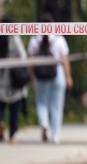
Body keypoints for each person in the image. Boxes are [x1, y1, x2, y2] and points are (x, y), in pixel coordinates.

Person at [27, 12, 73, 144]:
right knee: (57, 105)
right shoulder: (59, 39)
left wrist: (32, 77)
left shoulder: (35, 39)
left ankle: (44, 123)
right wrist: (68, 76)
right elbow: (65, 60)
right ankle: (56, 135)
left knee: (41, 102)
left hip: (40, 73)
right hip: (57, 72)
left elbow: (30, 60)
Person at [0, 16, 28, 144]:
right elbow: (23, 57)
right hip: (13, 78)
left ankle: (0, 121)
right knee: (14, 109)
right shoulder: (14, 38)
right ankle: (12, 137)